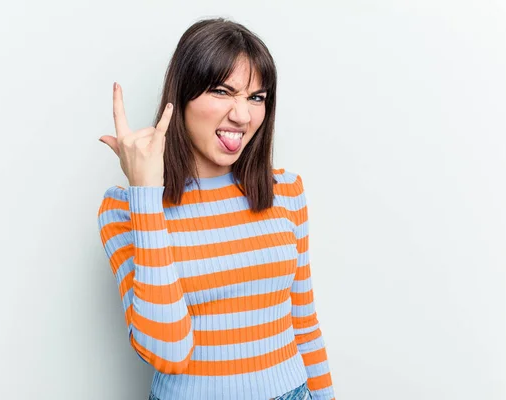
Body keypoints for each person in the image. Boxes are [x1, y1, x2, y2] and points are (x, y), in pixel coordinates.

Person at [97, 18, 336, 400]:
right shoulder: (125, 211)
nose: (243, 116)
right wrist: (146, 194)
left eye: (256, 97)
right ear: (182, 96)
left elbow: (303, 323)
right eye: (223, 91)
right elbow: (168, 351)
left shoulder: (286, 192)